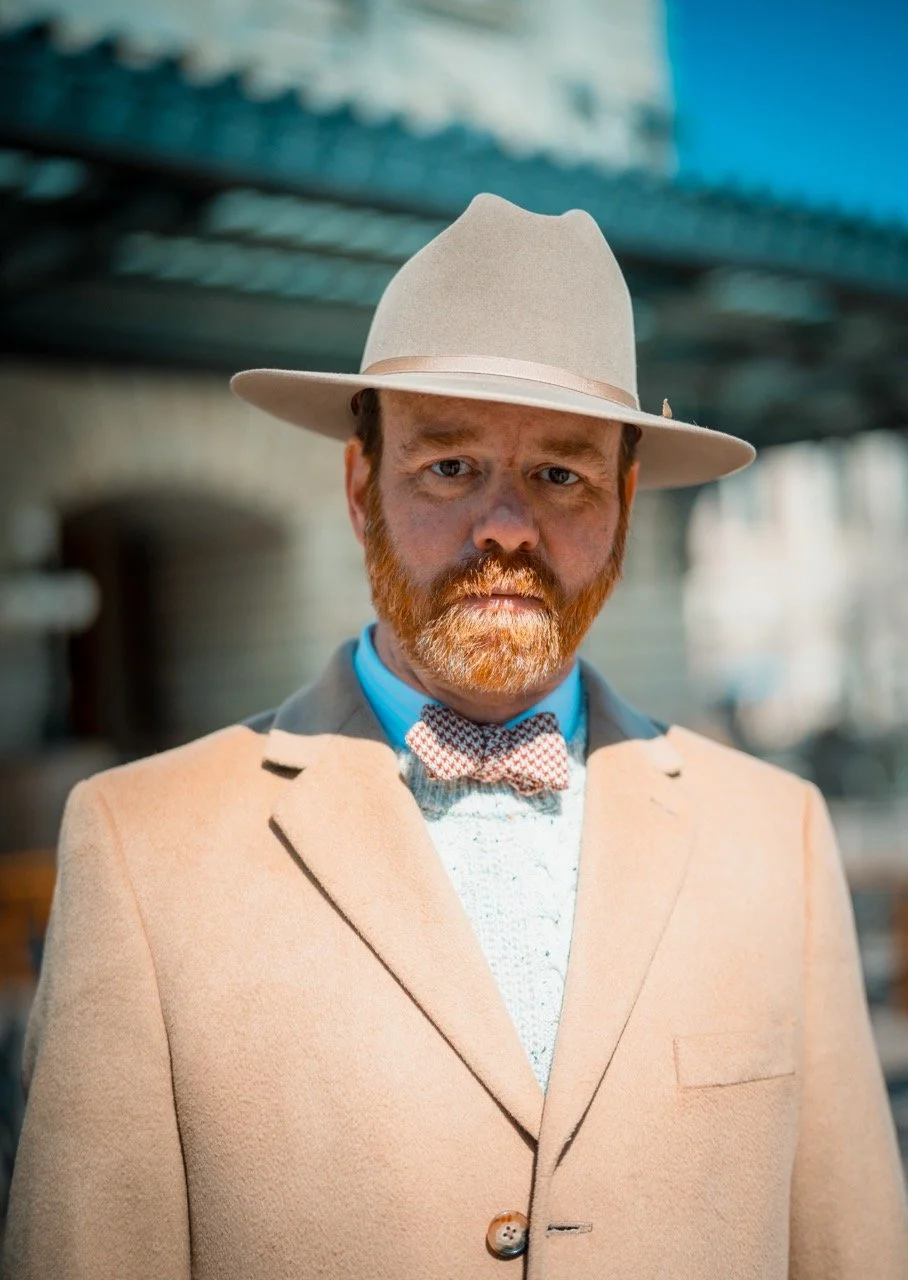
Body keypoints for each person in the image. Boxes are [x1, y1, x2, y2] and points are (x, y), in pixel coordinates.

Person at [3, 194, 906, 1280]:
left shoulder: (777, 836)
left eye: (560, 474)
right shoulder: (140, 847)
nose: (506, 528)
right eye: (448, 466)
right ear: (360, 490)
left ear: (624, 503)